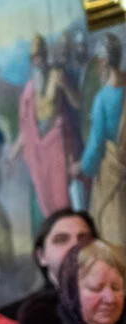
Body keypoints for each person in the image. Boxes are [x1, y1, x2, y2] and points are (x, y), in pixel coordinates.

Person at [8, 35, 82, 216]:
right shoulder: (29, 89)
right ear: (31, 61)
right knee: (46, 202)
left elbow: (78, 103)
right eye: (34, 57)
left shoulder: (57, 76)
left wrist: (65, 87)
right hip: (40, 152)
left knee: (62, 198)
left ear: (45, 55)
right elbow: (26, 129)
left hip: (57, 144)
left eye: (40, 56)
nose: (38, 60)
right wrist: (13, 152)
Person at [71, 33, 126, 245]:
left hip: (112, 181)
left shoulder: (102, 99)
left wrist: (80, 167)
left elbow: (95, 148)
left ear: (102, 61)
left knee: (114, 238)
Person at [1, 208, 96, 321]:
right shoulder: (13, 318)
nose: (75, 246)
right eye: (61, 240)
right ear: (41, 256)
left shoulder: (116, 307)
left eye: (84, 239)